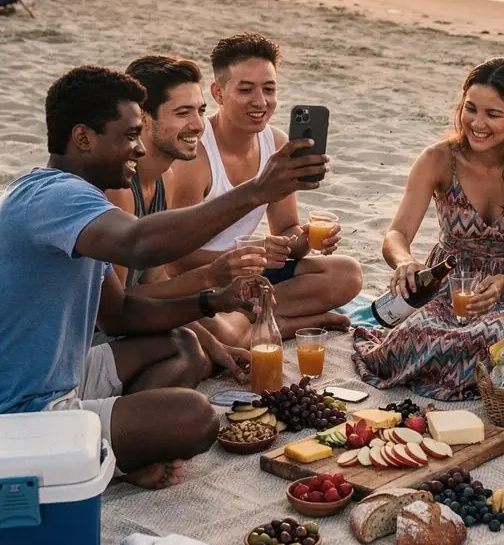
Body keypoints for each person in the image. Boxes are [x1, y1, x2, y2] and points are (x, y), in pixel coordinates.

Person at [0, 66, 327, 489]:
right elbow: (140, 244)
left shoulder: (83, 206)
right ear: (82, 138)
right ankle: (84, 454)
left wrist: (212, 302)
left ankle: (109, 438)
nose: (138, 149)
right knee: (195, 417)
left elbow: (120, 315)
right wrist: (255, 191)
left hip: (64, 376)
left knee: (180, 345)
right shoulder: (52, 195)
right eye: (129, 136)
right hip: (19, 411)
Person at [352, 59, 504, 399]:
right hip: (446, 287)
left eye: (493, 114)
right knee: (411, 340)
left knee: (499, 341)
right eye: (471, 109)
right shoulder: (438, 159)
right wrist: (405, 261)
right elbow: (396, 235)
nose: (477, 124)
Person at [168, 32, 363, 342]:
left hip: (251, 275)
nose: (261, 102)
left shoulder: (275, 144)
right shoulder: (196, 156)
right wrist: (246, 255)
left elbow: (287, 229)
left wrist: (304, 239)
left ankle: (255, 322)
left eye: (269, 89)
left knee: (347, 274)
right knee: (222, 331)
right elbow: (174, 258)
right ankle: (279, 324)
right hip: (203, 278)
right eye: (245, 89)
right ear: (218, 93)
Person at [107, 53, 267, 380]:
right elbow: (117, 306)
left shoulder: (163, 179)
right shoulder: (120, 190)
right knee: (191, 354)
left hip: (132, 320)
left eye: (201, 111)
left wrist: (215, 344)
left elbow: (157, 281)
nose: (198, 125)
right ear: (143, 121)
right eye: (183, 113)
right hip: (93, 333)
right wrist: (210, 279)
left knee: (207, 347)